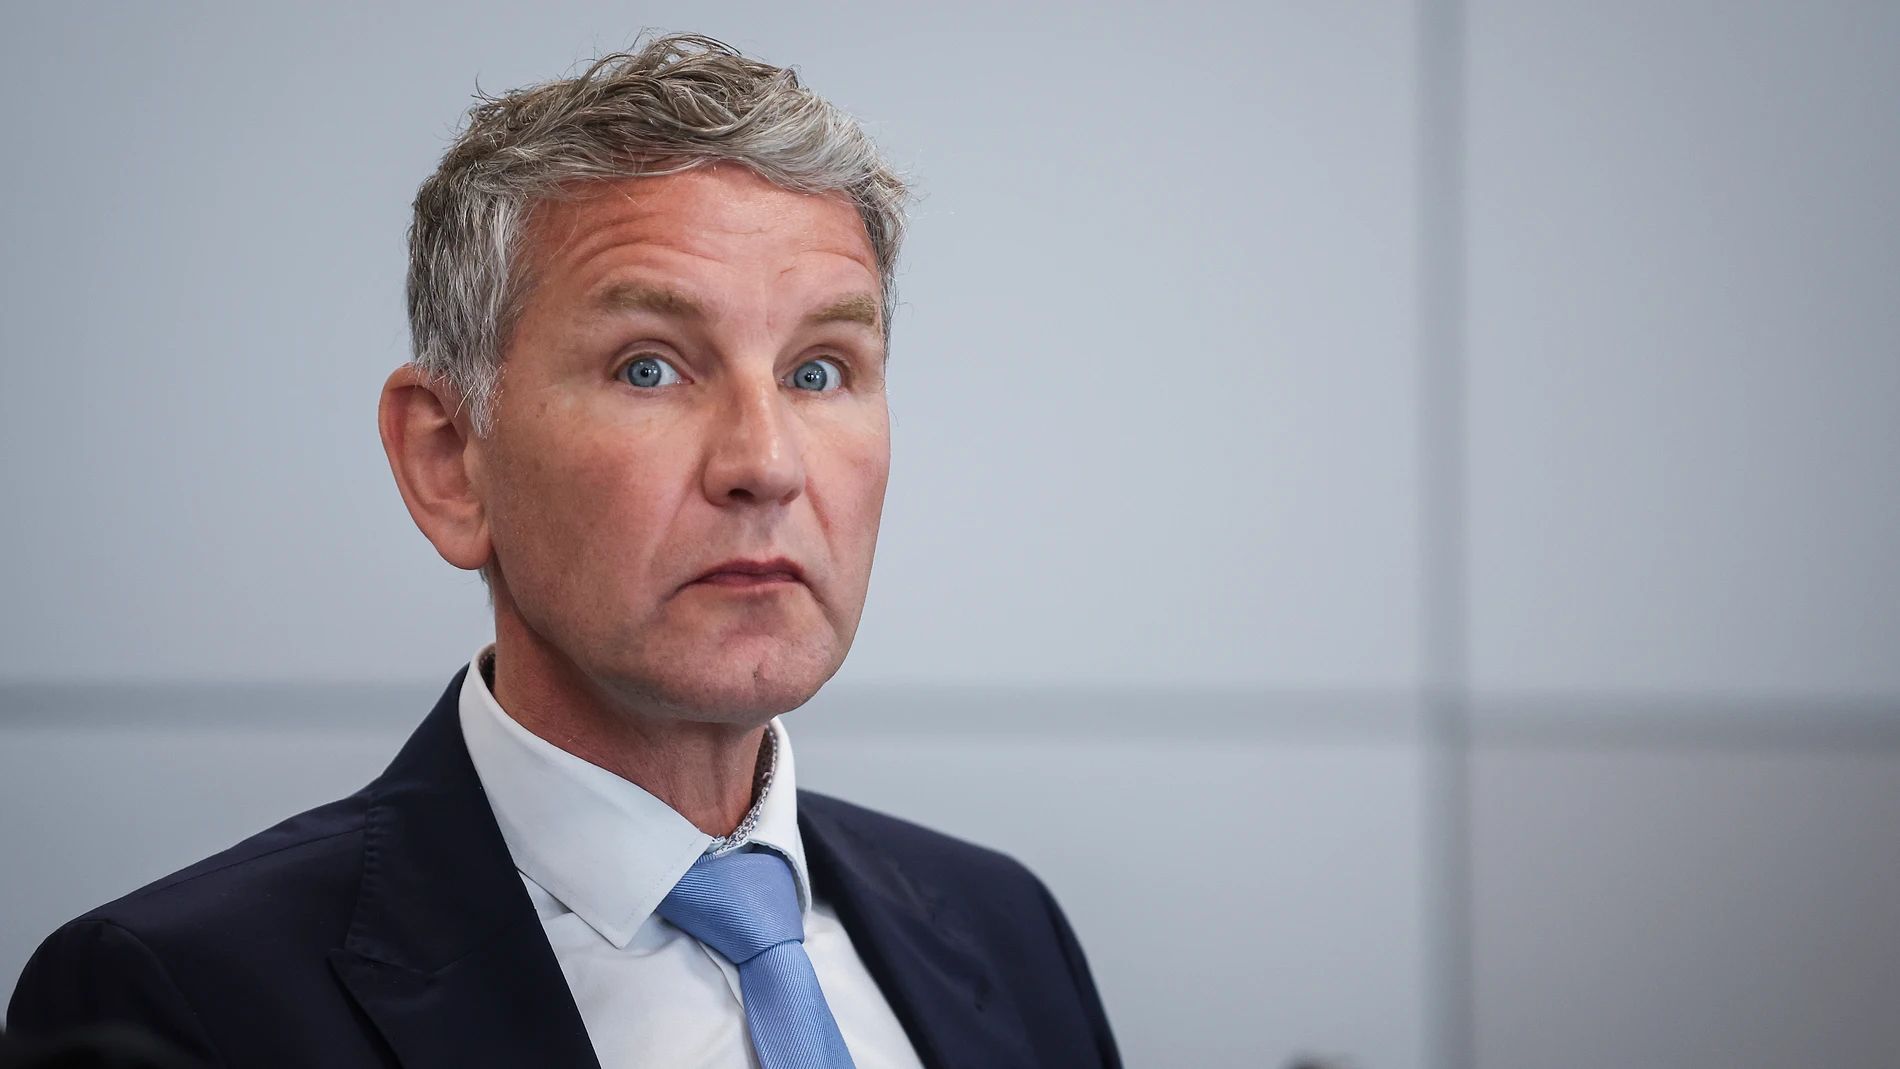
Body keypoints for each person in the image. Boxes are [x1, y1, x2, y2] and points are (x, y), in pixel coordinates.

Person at [6, 34, 1120, 1069]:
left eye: (818, 370)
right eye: (649, 366)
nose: (765, 462)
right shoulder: (173, 1002)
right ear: (450, 461)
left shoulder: (1005, 929)